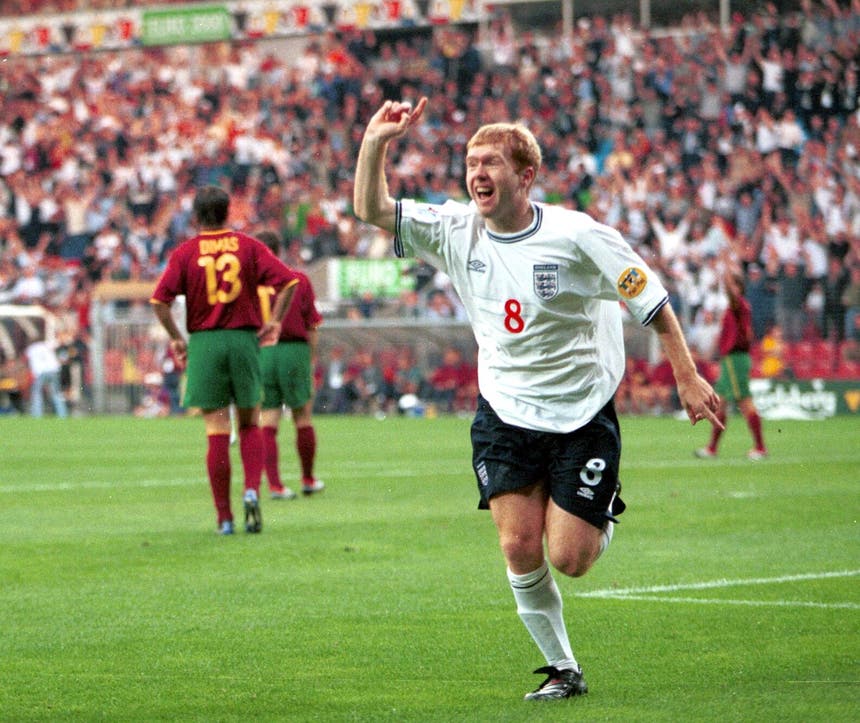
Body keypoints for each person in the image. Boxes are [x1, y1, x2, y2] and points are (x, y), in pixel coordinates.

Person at [353, 99, 721, 701]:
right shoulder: (454, 230)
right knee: (518, 545)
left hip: (580, 409)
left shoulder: (579, 236)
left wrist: (686, 376)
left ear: (525, 176)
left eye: (491, 162)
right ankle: (563, 668)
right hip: (505, 410)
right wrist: (375, 142)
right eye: (471, 163)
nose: (477, 173)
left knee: (570, 557)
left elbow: (651, 300)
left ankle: (599, 507)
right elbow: (370, 208)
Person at [150, 185, 299, 536]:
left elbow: (159, 301)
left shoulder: (186, 252)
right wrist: (275, 322)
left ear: (196, 217)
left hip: (205, 343)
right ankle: (252, 489)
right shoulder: (248, 246)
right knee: (249, 423)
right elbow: (289, 282)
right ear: (228, 212)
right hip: (244, 340)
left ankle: (224, 518)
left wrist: (177, 338)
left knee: (217, 430)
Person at [256, 230, 325, 499]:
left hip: (263, 354)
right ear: (279, 250)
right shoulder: (298, 279)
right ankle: (308, 479)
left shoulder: (251, 284)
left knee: (268, 419)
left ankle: (275, 485)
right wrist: (311, 358)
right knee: (302, 417)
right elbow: (312, 324)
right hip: (294, 351)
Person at [695, 270, 768, 461]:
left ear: (740, 287)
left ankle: (760, 447)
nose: (730, 288)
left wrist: (726, 270)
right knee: (721, 404)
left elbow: (731, 295)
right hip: (730, 360)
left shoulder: (739, 305)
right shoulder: (735, 307)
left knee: (744, 401)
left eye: (734, 284)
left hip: (736, 359)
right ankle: (712, 448)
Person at [25, 338, 68, 419]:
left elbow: (27, 361)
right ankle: (63, 415)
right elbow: (60, 344)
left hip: (40, 372)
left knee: (37, 394)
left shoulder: (30, 349)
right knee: (56, 394)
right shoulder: (46, 344)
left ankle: (37, 416)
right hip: (53, 370)